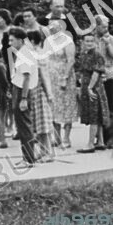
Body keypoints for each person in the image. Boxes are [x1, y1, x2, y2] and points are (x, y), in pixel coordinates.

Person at [45, 18, 77, 149]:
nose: (52, 29)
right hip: (51, 76)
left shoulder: (67, 40)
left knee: (67, 106)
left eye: (54, 26)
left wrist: (65, 77)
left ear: (60, 27)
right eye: (50, 27)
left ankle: (66, 137)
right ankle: (56, 137)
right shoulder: (48, 41)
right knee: (53, 106)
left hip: (64, 75)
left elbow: (71, 60)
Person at [9, 26, 37, 167]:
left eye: (12, 40)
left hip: (22, 90)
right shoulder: (21, 52)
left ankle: (29, 158)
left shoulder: (25, 54)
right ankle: (27, 156)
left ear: (20, 40)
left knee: (25, 126)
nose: (10, 43)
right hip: (17, 88)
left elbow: (26, 77)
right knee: (21, 126)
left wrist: (24, 98)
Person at [76, 32, 110, 152]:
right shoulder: (84, 54)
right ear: (83, 42)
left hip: (94, 86)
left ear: (95, 42)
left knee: (94, 115)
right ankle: (100, 141)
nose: (89, 43)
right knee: (96, 114)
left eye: (91, 41)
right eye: (87, 41)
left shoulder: (97, 55)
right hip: (87, 85)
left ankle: (90, 144)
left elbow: (96, 73)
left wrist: (90, 88)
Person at [26, 29, 55, 161]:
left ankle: (49, 152)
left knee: (44, 124)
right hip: (34, 92)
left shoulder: (39, 55)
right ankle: (43, 150)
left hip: (40, 92)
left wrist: (49, 94)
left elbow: (44, 76)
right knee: (39, 124)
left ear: (32, 41)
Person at [94, 14, 113, 132]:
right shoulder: (91, 39)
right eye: (103, 27)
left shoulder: (112, 38)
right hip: (95, 77)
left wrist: (108, 43)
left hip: (109, 76)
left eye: (107, 26)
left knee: (111, 106)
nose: (106, 29)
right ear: (96, 26)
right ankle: (100, 138)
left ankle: (111, 135)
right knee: (97, 108)